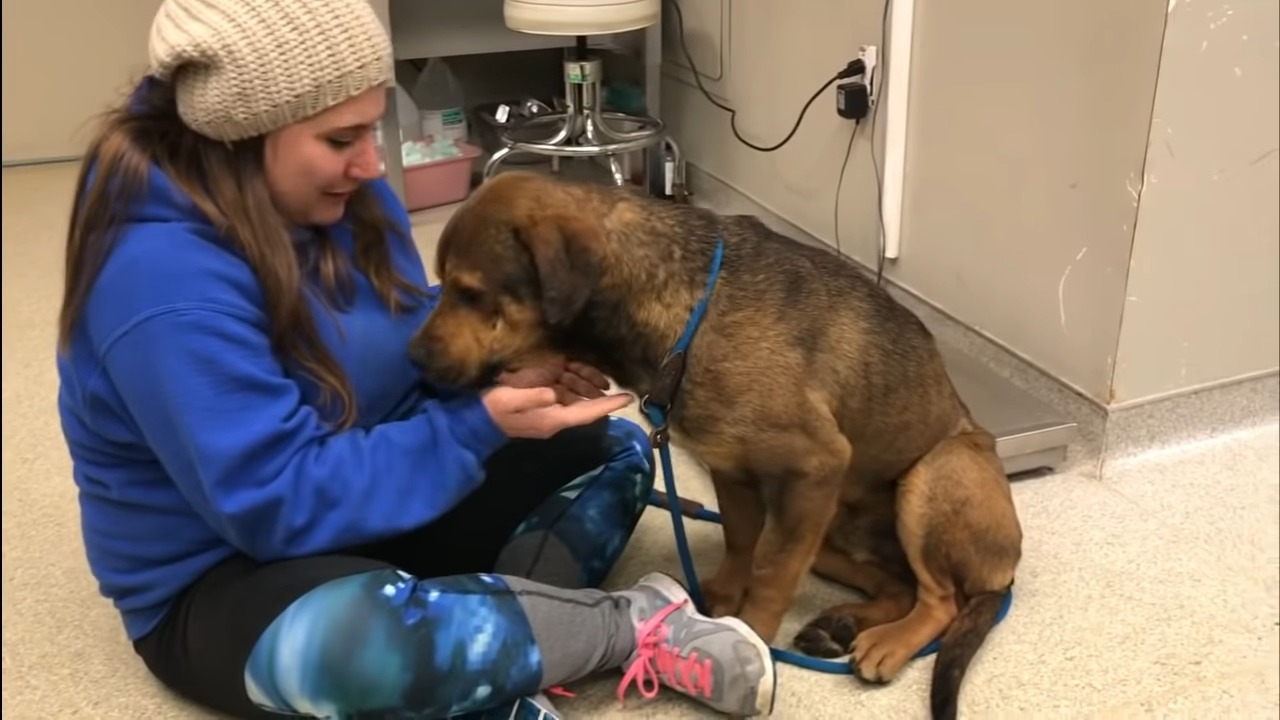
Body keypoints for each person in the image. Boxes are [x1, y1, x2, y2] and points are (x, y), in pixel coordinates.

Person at [52, 0, 778, 717]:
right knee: (350, 643)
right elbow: (275, 503)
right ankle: (617, 630)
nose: (371, 163)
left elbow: (401, 343)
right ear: (241, 135)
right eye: (341, 140)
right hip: (230, 572)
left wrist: (500, 380)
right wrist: (474, 428)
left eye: (372, 128)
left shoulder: (348, 199)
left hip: (376, 502)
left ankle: (486, 649)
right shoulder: (162, 285)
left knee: (608, 447)